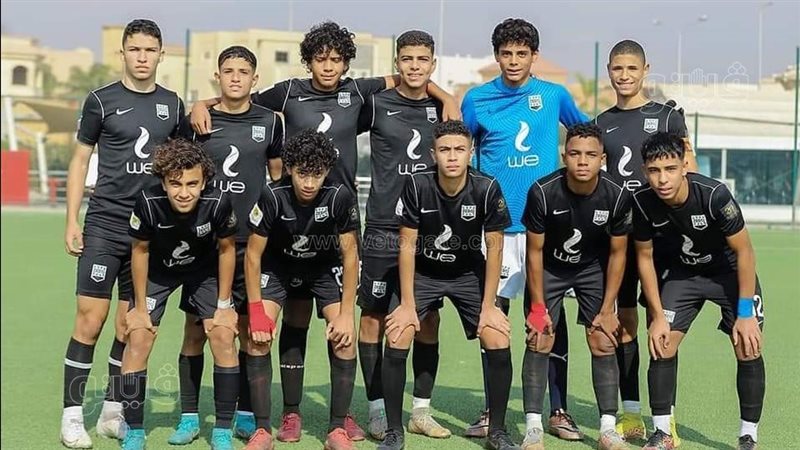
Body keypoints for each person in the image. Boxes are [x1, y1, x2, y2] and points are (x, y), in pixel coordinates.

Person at [190, 22, 458, 441]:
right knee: (293, 319)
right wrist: (202, 102)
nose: (329, 66)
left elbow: (405, 77)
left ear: (346, 63)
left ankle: (341, 418)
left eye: (336, 59)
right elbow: (240, 96)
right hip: (290, 224)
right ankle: (286, 415)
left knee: (343, 327)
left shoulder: (358, 92)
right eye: (320, 59)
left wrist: (447, 97)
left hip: (337, 222)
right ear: (309, 61)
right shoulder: (288, 92)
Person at [460, 17, 587, 439]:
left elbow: (588, 134)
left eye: (521, 53)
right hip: (495, 230)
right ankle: (492, 411)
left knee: (549, 318)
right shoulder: (477, 99)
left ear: (534, 56)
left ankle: (558, 410)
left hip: (542, 231)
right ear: (496, 56)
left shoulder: (554, 95)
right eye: (506, 53)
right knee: (493, 320)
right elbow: (461, 150)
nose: (513, 61)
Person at [60, 18, 184, 448]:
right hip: (105, 226)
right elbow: (80, 160)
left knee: (131, 325)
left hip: (149, 235)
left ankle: (113, 413)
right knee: (89, 320)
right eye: (135, 49)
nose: (142, 57)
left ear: (161, 54)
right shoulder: (101, 100)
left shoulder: (173, 104)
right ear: (123, 53)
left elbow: (182, 162)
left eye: (150, 50)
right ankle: (72, 416)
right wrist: (72, 219)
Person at [167, 45, 284, 444]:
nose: (235, 77)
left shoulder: (270, 122)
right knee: (196, 332)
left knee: (251, 331)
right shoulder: (198, 120)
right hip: (206, 244)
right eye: (228, 71)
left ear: (255, 79)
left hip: (252, 243)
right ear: (217, 77)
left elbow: (278, 177)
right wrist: (199, 104)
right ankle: (188, 417)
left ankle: (246, 413)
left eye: (243, 71)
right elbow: (180, 174)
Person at [380, 120, 517, 450]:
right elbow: (407, 246)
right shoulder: (417, 185)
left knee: (497, 336)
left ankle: (498, 431)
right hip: (423, 272)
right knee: (399, 333)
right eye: (444, 150)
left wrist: (489, 306)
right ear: (433, 154)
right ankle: (395, 430)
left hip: (468, 273)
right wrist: (407, 305)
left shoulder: (486, 187)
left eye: (459, 149)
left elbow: (495, 247)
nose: (452, 156)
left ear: (471, 153)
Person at [632, 132, 765, 450]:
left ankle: (748, 436)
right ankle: (663, 433)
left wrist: (745, 313)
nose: (662, 179)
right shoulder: (642, 202)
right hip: (684, 274)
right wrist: (656, 316)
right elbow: (644, 258)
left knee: (748, 346)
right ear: (645, 171)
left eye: (670, 169)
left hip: (729, 274)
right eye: (654, 171)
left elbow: (745, 252)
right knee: (662, 344)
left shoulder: (715, 195)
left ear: (684, 167)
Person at [594, 40, 698, 443]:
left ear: (645, 70)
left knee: (663, 325)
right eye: (617, 69)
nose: (624, 76)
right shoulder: (602, 121)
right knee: (625, 325)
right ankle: (631, 413)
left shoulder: (668, 116)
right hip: (620, 236)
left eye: (631, 68)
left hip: (663, 240)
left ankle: (665, 418)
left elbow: (689, 170)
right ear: (609, 70)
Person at [355, 29, 448, 440]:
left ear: (433, 63)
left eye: (422, 59)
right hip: (382, 227)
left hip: (429, 230)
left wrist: (446, 97)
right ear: (397, 63)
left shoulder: (441, 109)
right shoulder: (376, 104)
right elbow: (339, 110)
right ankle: (376, 409)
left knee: (428, 319)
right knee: (372, 317)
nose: (415, 66)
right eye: (407, 58)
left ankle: (420, 411)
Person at [243, 129, 361, 450]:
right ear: (290, 168)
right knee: (258, 338)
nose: (309, 183)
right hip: (279, 267)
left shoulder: (339, 196)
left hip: (323, 267)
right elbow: (252, 255)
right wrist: (256, 312)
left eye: (317, 175)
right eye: (302, 174)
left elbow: (351, 255)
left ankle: (337, 428)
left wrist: (347, 315)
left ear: (327, 171)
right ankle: (266, 428)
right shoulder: (272, 195)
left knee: (345, 340)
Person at [119, 139, 239, 450]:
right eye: (175, 184)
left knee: (222, 335)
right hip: (158, 271)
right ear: (163, 182)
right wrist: (140, 307)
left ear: (204, 181)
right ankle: (134, 430)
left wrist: (224, 305)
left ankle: (219, 430)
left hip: (203, 271)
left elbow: (227, 250)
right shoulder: (148, 202)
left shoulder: (218, 202)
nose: (184, 192)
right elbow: (139, 251)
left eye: (192, 184)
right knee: (139, 337)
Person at [521, 123, 630, 450]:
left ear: (602, 159)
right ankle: (533, 428)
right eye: (575, 153)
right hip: (550, 269)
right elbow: (534, 252)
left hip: (591, 269)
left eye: (591, 155)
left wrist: (608, 309)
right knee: (539, 338)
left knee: (603, 340)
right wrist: (537, 307)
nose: (582, 161)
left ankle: (608, 430)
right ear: (564, 155)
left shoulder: (617, 195)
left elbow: (618, 253)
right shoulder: (542, 192)